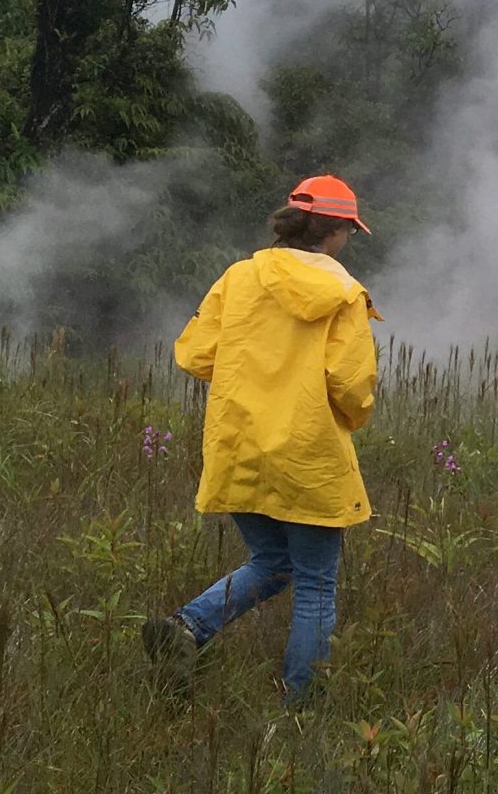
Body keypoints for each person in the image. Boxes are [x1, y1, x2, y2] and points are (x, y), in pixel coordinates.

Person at [144, 174, 381, 708]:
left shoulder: (238, 278)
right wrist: (350, 417)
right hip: (309, 454)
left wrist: (249, 378)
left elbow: (195, 354)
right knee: (317, 582)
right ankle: (302, 707)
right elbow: (351, 386)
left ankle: (185, 628)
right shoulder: (344, 293)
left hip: (240, 445)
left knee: (273, 561)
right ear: (338, 230)